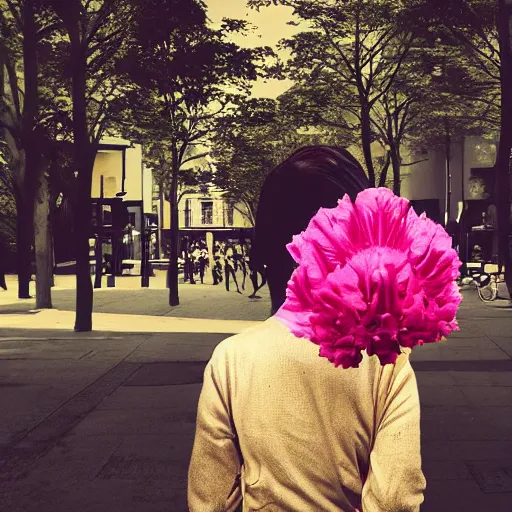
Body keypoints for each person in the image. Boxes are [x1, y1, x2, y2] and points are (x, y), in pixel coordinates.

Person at [188, 146, 426, 511]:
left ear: (267, 250)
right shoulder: (386, 361)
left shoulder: (231, 360)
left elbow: (210, 499)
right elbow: (395, 497)